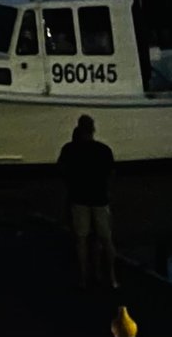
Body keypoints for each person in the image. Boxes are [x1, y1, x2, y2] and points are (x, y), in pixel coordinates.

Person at [58, 114, 117, 290]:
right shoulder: (103, 150)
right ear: (93, 129)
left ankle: (84, 277)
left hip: (78, 197)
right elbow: (111, 173)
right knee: (105, 239)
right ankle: (111, 276)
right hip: (99, 198)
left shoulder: (69, 149)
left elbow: (62, 170)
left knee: (81, 239)